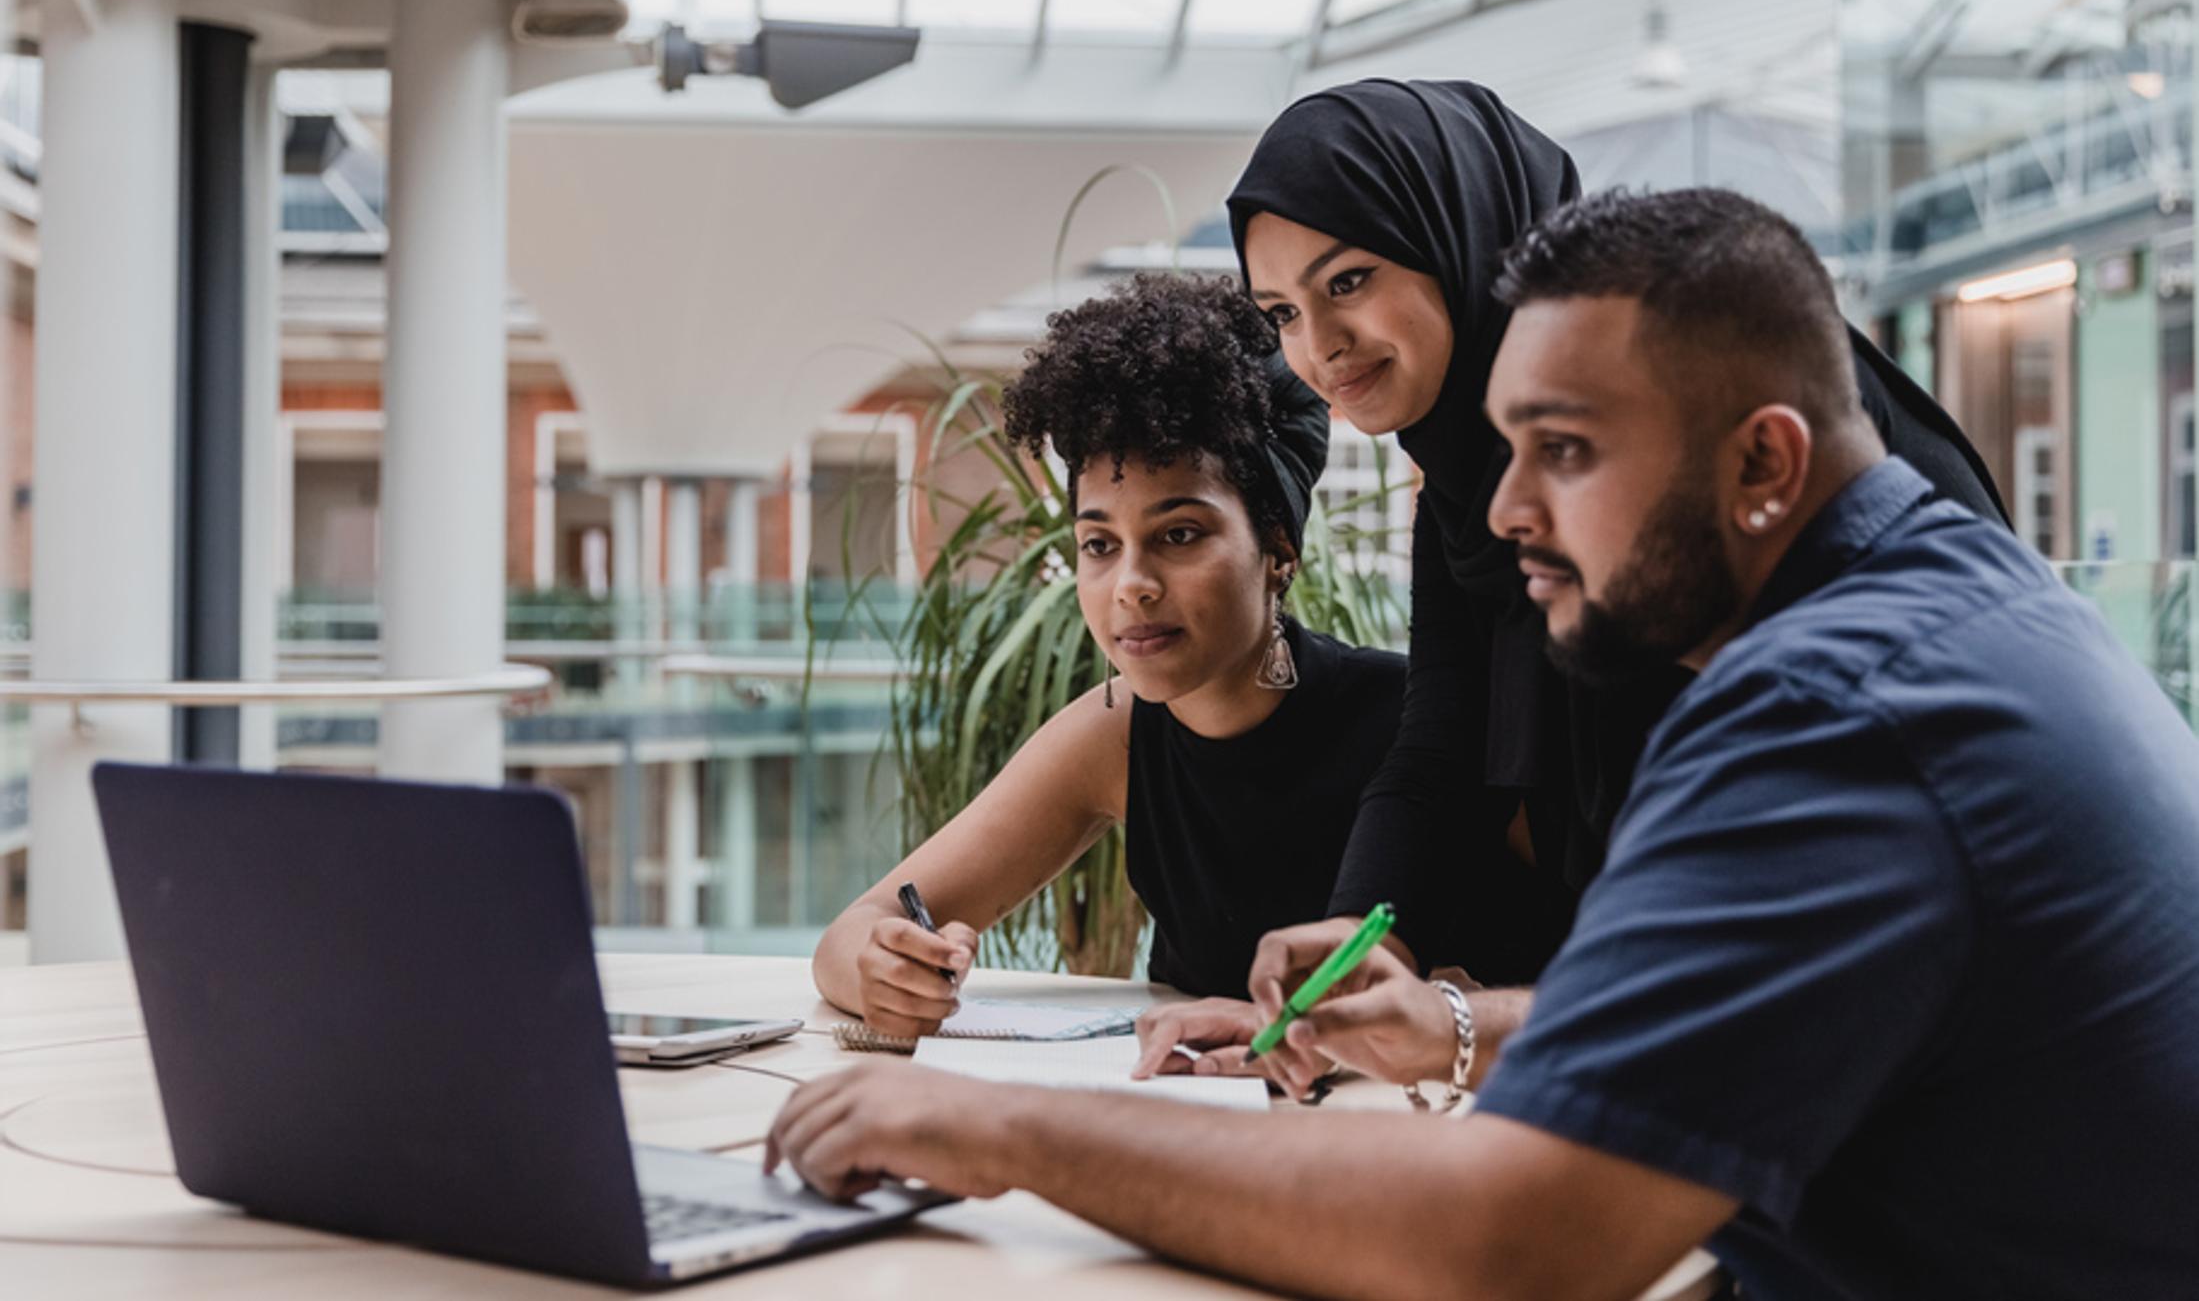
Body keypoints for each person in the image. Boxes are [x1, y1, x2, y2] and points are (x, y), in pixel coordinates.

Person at [767, 187, 2199, 1301]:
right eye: (1503, 448)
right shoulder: (1949, 615)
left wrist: (989, 1126)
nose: (1505, 510)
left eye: (1563, 448)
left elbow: (1508, 1244)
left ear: (1762, 464)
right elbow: (1744, 1007)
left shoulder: (1833, 709)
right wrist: (1445, 1026)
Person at [1168, 79, 2005, 1086]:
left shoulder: (1695, 392)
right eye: (1282, 313)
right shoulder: (1473, 475)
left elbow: (1774, 920)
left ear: (1457, 234)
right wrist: (1356, 952)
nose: (1317, 346)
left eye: (1348, 280)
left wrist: (1468, 1028)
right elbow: (1443, 740)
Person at [811, 273, 1406, 1029]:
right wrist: (885, 968)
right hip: (1192, 1119)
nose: (1131, 585)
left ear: (1277, 550)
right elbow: (850, 932)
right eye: (1098, 544)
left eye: (1179, 535)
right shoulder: (1113, 735)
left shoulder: (1411, 720)